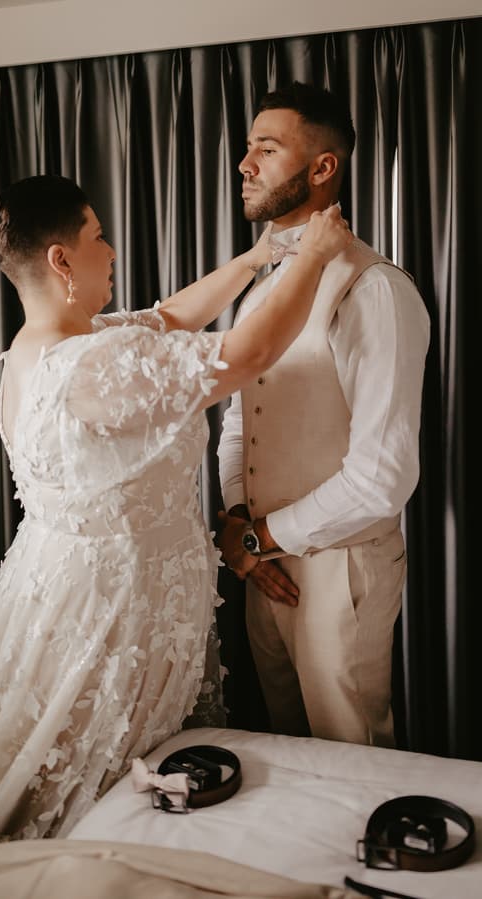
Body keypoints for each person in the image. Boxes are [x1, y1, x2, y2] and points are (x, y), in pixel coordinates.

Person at [0, 175, 351, 898]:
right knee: (90, 797)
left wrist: (258, 258)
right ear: (63, 260)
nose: (112, 250)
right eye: (99, 236)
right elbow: (247, 353)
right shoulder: (90, 365)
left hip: (59, 589)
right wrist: (315, 256)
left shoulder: (46, 346)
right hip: (109, 619)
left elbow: (166, 317)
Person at [217, 82, 430, 748]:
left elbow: (383, 477)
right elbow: (235, 423)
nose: (245, 164)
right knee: (289, 753)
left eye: (267, 148)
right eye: (248, 147)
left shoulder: (374, 290)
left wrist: (260, 538)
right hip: (260, 566)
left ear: (322, 167)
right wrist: (235, 525)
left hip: (339, 568)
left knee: (353, 756)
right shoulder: (260, 291)